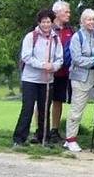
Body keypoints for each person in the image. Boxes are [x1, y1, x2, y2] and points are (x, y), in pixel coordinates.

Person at [12, 9, 63, 147]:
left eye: (49, 22)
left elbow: (59, 58)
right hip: (30, 79)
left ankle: (43, 138)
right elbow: (26, 56)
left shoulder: (55, 38)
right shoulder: (31, 37)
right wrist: (42, 65)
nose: (46, 24)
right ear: (39, 22)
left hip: (47, 80)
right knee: (27, 108)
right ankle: (19, 138)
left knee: (44, 109)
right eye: (44, 22)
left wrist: (53, 66)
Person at [64, 9, 94, 152]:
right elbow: (77, 59)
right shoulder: (76, 37)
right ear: (82, 21)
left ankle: (70, 137)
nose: (92, 22)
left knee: (79, 107)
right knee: (77, 108)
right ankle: (71, 139)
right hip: (80, 77)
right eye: (89, 19)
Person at [49, 0, 74, 144]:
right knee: (42, 101)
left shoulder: (70, 30)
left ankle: (54, 130)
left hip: (64, 73)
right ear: (57, 13)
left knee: (58, 100)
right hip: (49, 71)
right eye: (66, 11)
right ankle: (40, 130)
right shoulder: (48, 28)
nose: (69, 14)